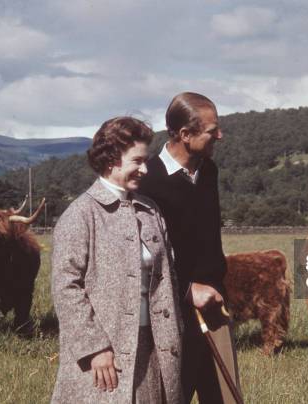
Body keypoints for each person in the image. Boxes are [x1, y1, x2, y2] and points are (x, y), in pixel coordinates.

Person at [51, 117, 184, 404]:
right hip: (104, 358)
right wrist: (94, 348)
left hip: (154, 351)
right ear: (111, 159)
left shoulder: (150, 210)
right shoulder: (80, 215)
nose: (145, 169)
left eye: (145, 160)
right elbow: (66, 288)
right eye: (137, 161)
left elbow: (168, 275)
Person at [139, 92, 242, 403]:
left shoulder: (208, 171)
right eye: (212, 131)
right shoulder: (148, 180)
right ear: (185, 134)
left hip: (214, 302)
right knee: (173, 395)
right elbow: (145, 257)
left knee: (224, 396)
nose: (220, 136)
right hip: (170, 312)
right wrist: (186, 289)